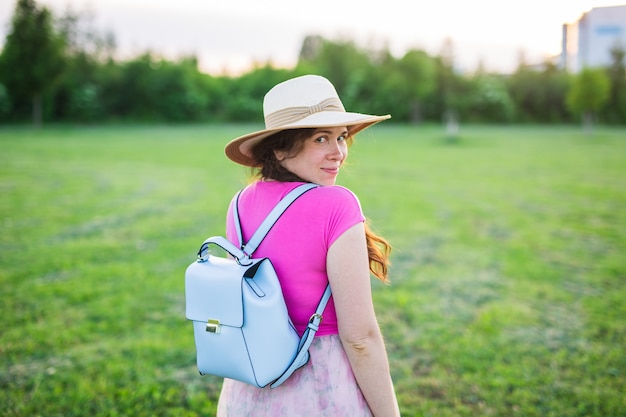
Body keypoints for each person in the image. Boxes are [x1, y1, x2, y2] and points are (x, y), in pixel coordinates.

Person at [216, 74, 400, 417]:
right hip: (320, 387)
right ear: (280, 147)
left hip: (250, 387)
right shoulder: (337, 205)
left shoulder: (240, 203)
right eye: (320, 138)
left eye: (341, 137)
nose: (339, 153)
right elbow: (360, 339)